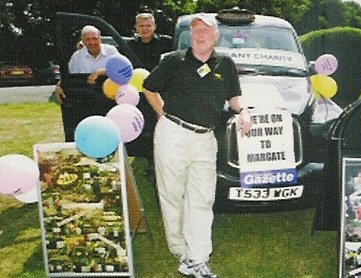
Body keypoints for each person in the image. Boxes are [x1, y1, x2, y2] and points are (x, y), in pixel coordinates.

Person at [142, 14, 251, 278]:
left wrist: (243, 111)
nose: (199, 35)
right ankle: (180, 250)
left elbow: (233, 96)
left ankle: (198, 256)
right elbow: (148, 87)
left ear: (215, 36)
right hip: (173, 134)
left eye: (204, 31)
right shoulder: (173, 61)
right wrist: (162, 115)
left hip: (205, 138)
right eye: (195, 32)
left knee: (202, 197)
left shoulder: (225, 63)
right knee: (172, 193)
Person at [127, 13, 173, 169]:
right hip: (138, 95)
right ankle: (146, 158)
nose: (145, 29)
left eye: (148, 25)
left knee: (161, 125)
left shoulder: (167, 43)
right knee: (143, 126)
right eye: (141, 25)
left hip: (162, 93)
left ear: (154, 26)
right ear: (136, 27)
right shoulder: (128, 46)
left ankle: (160, 158)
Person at [54, 25, 119, 104]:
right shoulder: (77, 57)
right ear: (83, 41)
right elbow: (70, 78)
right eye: (88, 39)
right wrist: (59, 86)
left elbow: (122, 70)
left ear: (100, 39)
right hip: (86, 100)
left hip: (110, 97)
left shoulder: (111, 51)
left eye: (95, 38)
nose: (92, 42)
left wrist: (101, 71)